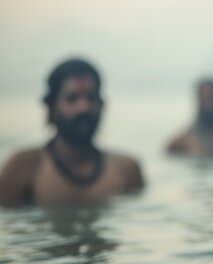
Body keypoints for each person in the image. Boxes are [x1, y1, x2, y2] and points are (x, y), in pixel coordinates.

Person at [0, 59, 144, 207]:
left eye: (91, 98)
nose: (83, 107)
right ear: (51, 106)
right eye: (72, 99)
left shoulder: (127, 170)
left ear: (101, 105)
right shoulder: (23, 167)